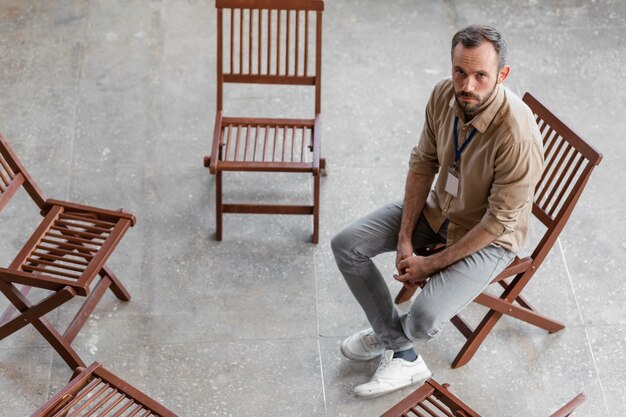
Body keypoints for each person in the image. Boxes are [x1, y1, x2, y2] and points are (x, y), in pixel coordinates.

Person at [331, 24, 544, 399]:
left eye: (481, 75)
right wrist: (404, 237)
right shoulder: (442, 96)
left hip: (490, 236)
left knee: (426, 316)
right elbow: (423, 162)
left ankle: (393, 341)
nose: (468, 85)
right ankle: (400, 348)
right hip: (439, 209)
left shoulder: (517, 135)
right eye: (460, 72)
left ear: (502, 75)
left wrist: (429, 265)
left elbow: (497, 222)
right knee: (347, 244)